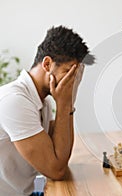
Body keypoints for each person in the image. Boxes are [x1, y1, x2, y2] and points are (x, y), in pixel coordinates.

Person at [0, 25, 94, 195]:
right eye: (68, 72)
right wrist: (65, 104)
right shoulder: (14, 101)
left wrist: (68, 104)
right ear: (47, 64)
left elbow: (60, 154)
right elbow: (56, 170)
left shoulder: (42, 101)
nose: (73, 82)